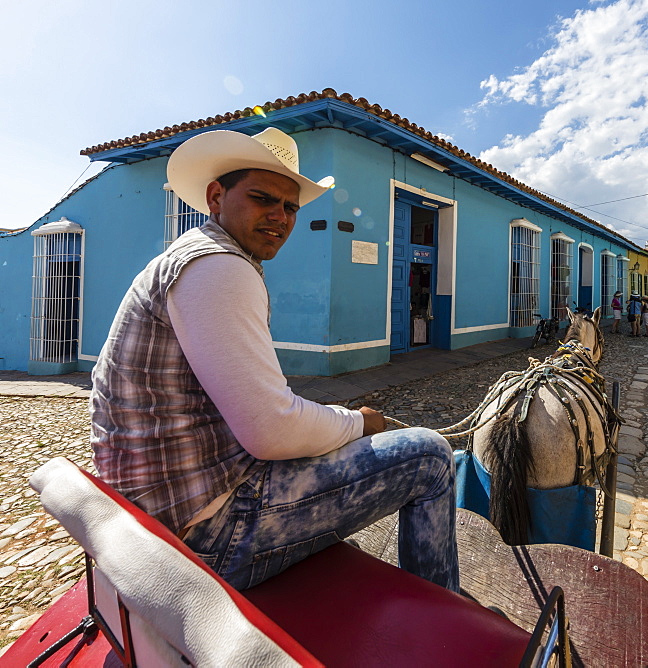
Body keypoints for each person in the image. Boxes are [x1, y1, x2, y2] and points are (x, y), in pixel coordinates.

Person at [90, 128, 458, 593]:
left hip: (167, 510)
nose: (280, 217)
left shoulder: (191, 259)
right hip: (207, 533)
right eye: (263, 199)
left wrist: (327, 424)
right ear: (216, 196)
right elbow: (272, 430)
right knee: (430, 455)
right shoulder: (219, 266)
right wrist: (358, 422)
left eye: (291, 207)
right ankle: (442, 610)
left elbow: (257, 409)